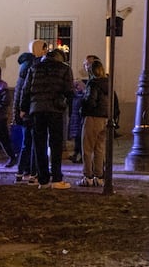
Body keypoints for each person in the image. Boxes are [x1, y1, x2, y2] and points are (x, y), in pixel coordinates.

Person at [20, 47, 74, 189]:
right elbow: (69, 90)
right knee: (56, 144)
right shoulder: (64, 68)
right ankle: (56, 178)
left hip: (36, 110)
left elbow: (26, 90)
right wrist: (68, 108)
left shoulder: (34, 68)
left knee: (39, 145)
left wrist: (24, 108)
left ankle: (43, 180)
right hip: (55, 110)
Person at [78, 57, 110, 188]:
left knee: (87, 148)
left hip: (93, 117)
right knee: (99, 148)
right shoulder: (108, 83)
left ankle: (88, 176)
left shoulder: (93, 84)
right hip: (105, 118)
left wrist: (82, 107)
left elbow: (90, 101)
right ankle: (99, 175)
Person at [12, 51, 38, 183]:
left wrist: (17, 113)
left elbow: (17, 97)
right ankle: (33, 173)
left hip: (24, 114)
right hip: (32, 113)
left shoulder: (20, 76)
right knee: (35, 144)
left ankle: (20, 171)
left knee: (25, 144)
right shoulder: (33, 73)